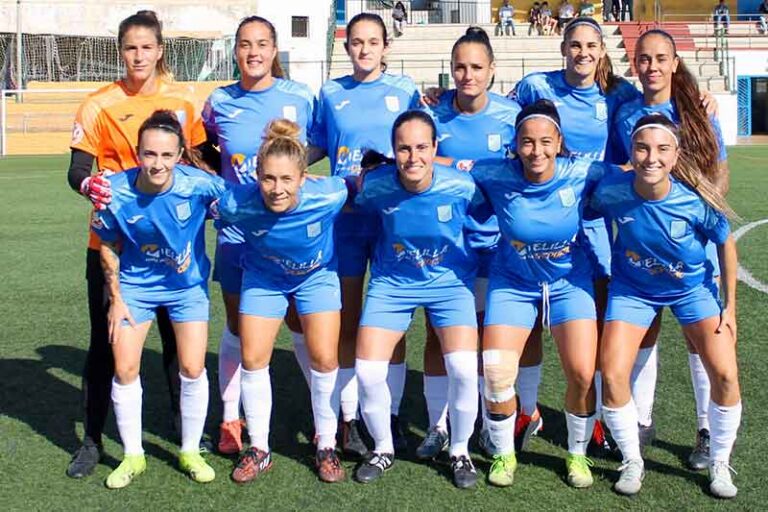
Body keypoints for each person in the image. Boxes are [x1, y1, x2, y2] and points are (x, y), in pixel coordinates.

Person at [65, 10, 207, 479]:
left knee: (175, 342)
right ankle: (91, 440)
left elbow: (203, 161)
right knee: (106, 344)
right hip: (111, 245)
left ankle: (184, 436)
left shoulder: (184, 101)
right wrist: (91, 188)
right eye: (130, 47)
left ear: (160, 49)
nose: (138, 55)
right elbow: (77, 171)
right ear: (121, 51)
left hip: (171, 246)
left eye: (147, 46)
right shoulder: (98, 103)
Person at [507, 17, 640, 453]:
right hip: (542, 215)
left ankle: (598, 415)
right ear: (563, 48)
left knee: (596, 316)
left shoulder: (617, 94)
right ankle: (528, 410)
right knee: (528, 321)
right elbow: (497, 112)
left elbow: (654, 109)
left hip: (594, 220)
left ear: (602, 51)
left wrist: (698, 99)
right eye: (575, 45)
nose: (583, 53)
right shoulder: (534, 86)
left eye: (591, 46)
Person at [593, 114, 741, 499]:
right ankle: (632, 459)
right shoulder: (612, 191)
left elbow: (725, 243)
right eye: (642, 148)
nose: (651, 158)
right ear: (631, 152)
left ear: (675, 156)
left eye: (662, 149)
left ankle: (721, 462)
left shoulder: (694, 200)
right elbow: (580, 211)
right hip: (633, 292)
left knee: (725, 374)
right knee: (611, 375)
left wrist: (730, 307)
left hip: (692, 290)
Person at [607, 28, 730, 470]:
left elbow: (719, 174)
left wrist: (703, 223)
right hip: (642, 244)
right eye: (644, 59)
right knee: (646, 330)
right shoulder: (624, 114)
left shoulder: (697, 110)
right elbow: (618, 170)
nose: (652, 66)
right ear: (634, 64)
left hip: (692, 245)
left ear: (675, 63)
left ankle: (704, 429)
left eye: (661, 58)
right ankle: (640, 420)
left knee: (699, 341)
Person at [471, 100, 605, 489]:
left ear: (559, 142)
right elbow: (445, 169)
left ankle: (577, 455)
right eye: (527, 142)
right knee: (496, 371)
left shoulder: (583, 172)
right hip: (513, 281)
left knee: (582, 372)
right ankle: (502, 453)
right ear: (515, 143)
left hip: (569, 283)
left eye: (546, 141)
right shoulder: (495, 174)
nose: (536, 151)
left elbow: (633, 176)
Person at [201, 15, 316, 456]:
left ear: (274, 50)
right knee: (237, 324)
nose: (253, 52)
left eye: (262, 44)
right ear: (236, 51)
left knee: (297, 321)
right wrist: (225, 188)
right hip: (237, 233)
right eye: (245, 44)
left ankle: (331, 415)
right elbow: (204, 147)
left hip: (288, 232)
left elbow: (317, 143)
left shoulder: (300, 98)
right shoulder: (219, 101)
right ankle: (231, 417)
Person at [91, 110, 224, 488]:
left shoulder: (200, 185)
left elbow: (242, 206)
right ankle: (133, 456)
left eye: (167, 155)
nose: (158, 163)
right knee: (125, 368)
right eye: (150, 154)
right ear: (137, 153)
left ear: (181, 154)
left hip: (188, 288)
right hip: (136, 288)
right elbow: (107, 244)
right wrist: (116, 298)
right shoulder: (115, 191)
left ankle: (190, 450)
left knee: (193, 368)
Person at [353, 111, 485, 489]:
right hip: (393, 284)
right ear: (393, 152)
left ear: (435, 148)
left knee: (462, 369)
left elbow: (491, 210)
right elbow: (353, 198)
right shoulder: (376, 186)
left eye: (422, 147)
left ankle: (459, 451)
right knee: (368, 371)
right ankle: (383, 448)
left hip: (450, 284)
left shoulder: (462, 186)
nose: (413, 157)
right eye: (404, 149)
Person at [310, 12, 422, 458]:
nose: (364, 50)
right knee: (348, 319)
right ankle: (349, 417)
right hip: (348, 220)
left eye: (372, 42)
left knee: (391, 322)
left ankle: (389, 411)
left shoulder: (405, 91)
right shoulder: (331, 92)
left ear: (385, 47)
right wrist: (285, 160)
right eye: (356, 42)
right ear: (346, 46)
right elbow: (318, 144)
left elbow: (423, 144)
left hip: (394, 219)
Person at [216, 120, 348, 484]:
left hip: (316, 278)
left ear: (304, 178)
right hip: (263, 279)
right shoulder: (236, 203)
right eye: (269, 179)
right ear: (256, 177)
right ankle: (259, 448)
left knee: (324, 358)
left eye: (287, 179)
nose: (277, 189)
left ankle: (327, 444)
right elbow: (208, 205)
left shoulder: (330, 194)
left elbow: (360, 184)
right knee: (253, 358)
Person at [418, 26, 520, 461]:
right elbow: (417, 154)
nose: (467, 75)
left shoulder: (513, 116)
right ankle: (437, 426)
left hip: (498, 243)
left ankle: (484, 419)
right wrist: (460, 163)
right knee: (438, 334)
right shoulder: (434, 113)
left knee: (489, 338)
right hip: (450, 243)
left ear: (492, 70)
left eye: (477, 67)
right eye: (460, 66)